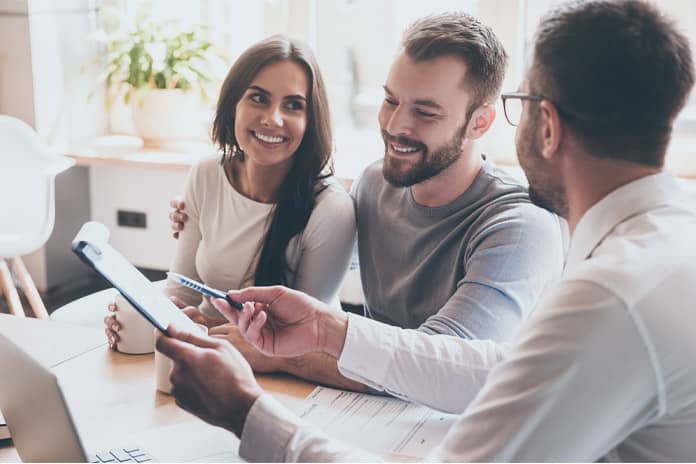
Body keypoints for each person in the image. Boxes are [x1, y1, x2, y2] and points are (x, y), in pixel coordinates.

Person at [157, 0, 696, 460]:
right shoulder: (659, 250)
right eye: (390, 100)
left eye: (520, 105)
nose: (396, 125)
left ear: (547, 125)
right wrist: (330, 330)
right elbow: (491, 368)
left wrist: (247, 413)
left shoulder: (610, 295)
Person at [168, 12, 565, 390]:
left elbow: (439, 369)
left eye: (425, 112)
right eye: (391, 101)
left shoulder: (519, 228)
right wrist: (208, 216)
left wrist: (279, 355)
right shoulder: (377, 183)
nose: (395, 127)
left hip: (465, 434)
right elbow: (314, 241)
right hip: (366, 411)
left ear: (480, 122)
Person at [104, 35, 356, 354]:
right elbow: (181, 291)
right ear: (233, 104)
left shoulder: (331, 209)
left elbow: (305, 341)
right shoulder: (207, 175)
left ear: (310, 120)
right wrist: (141, 317)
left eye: (293, 105)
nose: (273, 118)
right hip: (205, 352)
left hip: (287, 373)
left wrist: (205, 329)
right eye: (258, 98)